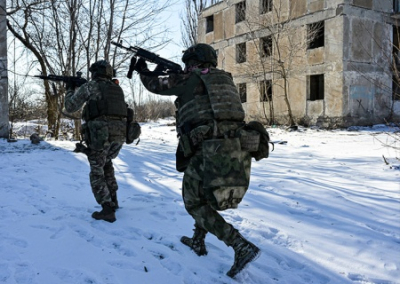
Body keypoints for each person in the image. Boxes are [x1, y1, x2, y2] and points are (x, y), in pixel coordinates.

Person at [131, 44, 261, 278]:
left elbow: (156, 86)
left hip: (208, 149)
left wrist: (143, 70)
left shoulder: (192, 79)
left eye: (187, 62)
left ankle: (239, 244)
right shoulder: (225, 79)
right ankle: (198, 241)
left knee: (193, 202)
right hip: (235, 147)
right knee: (205, 196)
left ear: (193, 61)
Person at [65, 60, 128, 223]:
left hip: (101, 134)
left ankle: (107, 209)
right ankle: (113, 200)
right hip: (120, 134)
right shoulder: (116, 88)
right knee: (106, 163)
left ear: (94, 73)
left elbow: (70, 106)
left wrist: (69, 89)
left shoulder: (90, 86)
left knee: (96, 170)